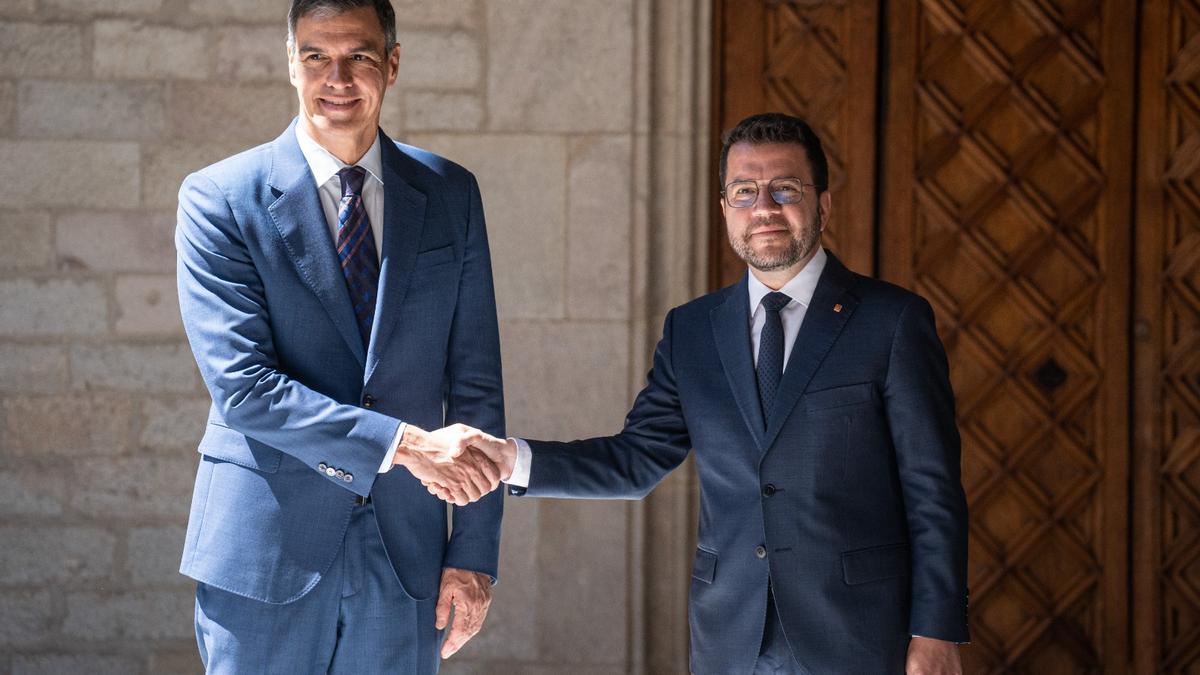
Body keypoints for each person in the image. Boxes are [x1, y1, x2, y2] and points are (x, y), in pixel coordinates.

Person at [439, 113, 970, 674]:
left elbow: (931, 490)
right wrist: (512, 460)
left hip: (859, 637)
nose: (764, 207)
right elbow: (635, 459)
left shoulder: (891, 322)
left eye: (785, 189)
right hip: (729, 639)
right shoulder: (692, 331)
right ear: (724, 210)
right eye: (744, 191)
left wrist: (936, 632)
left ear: (823, 204)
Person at [175, 1, 505, 671]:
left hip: (405, 555)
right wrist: (405, 444)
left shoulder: (449, 194)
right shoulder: (219, 199)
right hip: (268, 548)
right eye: (316, 57)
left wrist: (472, 552)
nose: (338, 78)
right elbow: (245, 390)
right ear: (290, 64)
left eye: (358, 55)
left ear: (392, 62)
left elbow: (477, 383)